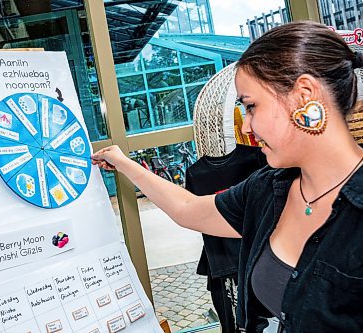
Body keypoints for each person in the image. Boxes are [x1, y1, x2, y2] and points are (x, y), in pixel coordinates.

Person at [91, 21, 363, 333]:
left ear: (304, 96)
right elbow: (189, 210)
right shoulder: (267, 189)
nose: (246, 127)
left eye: (251, 107)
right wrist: (122, 162)